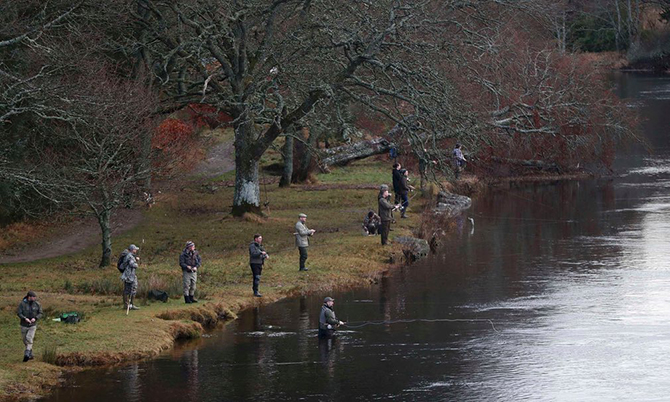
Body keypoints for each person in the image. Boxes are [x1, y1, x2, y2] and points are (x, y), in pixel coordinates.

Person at [17, 291, 42, 362]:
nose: (34, 298)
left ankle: (27, 353)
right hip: (24, 325)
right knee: (25, 340)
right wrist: (25, 318)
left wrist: (36, 318)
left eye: (35, 297)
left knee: (29, 338)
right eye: (33, 297)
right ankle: (30, 354)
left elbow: (40, 313)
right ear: (29, 297)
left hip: (33, 325)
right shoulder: (22, 304)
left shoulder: (37, 304)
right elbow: (19, 313)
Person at [120, 244, 140, 311]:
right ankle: (129, 305)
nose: (136, 250)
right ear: (132, 250)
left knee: (127, 289)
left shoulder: (128, 255)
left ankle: (127, 305)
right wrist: (136, 263)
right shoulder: (130, 256)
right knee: (132, 289)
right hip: (130, 275)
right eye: (135, 249)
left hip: (127, 275)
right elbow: (132, 264)